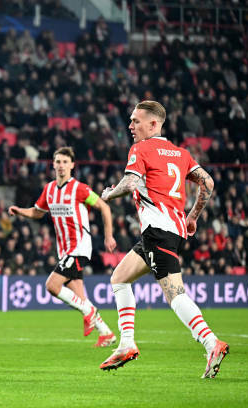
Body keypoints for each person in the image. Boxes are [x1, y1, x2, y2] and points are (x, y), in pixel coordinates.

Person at [98, 101, 228, 378]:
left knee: (175, 294)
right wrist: (192, 217)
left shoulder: (141, 149)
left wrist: (108, 194)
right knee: (119, 278)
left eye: (136, 121)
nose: (130, 126)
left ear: (153, 124)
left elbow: (130, 183)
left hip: (158, 230)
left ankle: (211, 342)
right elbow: (208, 182)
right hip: (171, 230)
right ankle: (126, 343)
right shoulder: (181, 154)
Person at [7, 147, 118, 347]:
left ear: (72, 165)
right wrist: (20, 211)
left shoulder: (79, 189)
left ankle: (89, 312)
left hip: (79, 247)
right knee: (80, 296)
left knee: (52, 286)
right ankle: (106, 333)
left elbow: (104, 207)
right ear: (53, 164)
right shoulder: (49, 189)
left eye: (65, 162)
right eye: (58, 161)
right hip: (64, 250)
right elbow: (37, 212)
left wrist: (108, 235)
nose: (61, 166)